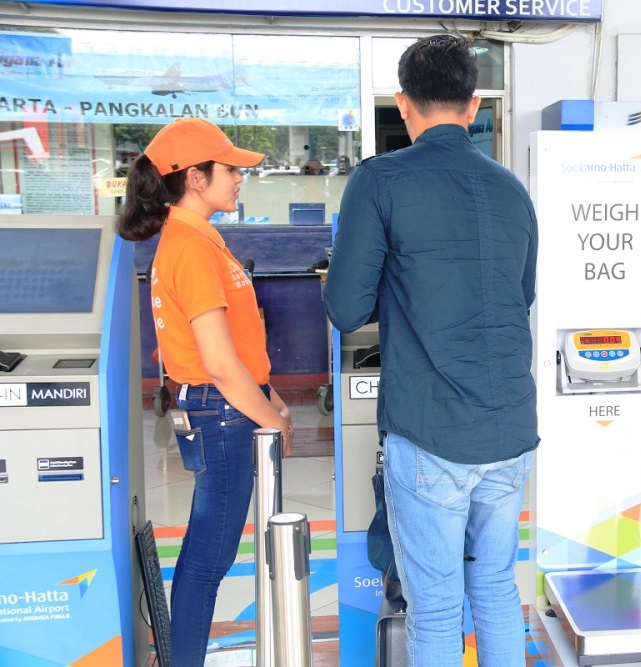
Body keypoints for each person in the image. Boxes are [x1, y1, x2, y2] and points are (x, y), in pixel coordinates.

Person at [323, 34, 538, 667]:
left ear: (402, 103)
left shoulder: (379, 182)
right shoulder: (511, 189)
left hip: (431, 430)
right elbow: (521, 293)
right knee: (498, 589)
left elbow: (345, 308)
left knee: (437, 607)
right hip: (509, 429)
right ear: (473, 106)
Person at [115, 117, 294, 666]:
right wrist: (271, 417)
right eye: (230, 168)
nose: (240, 177)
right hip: (223, 415)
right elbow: (216, 363)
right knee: (207, 559)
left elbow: (229, 347)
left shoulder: (199, 237)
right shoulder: (189, 245)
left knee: (206, 552)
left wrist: (269, 393)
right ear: (194, 177)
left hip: (229, 409)